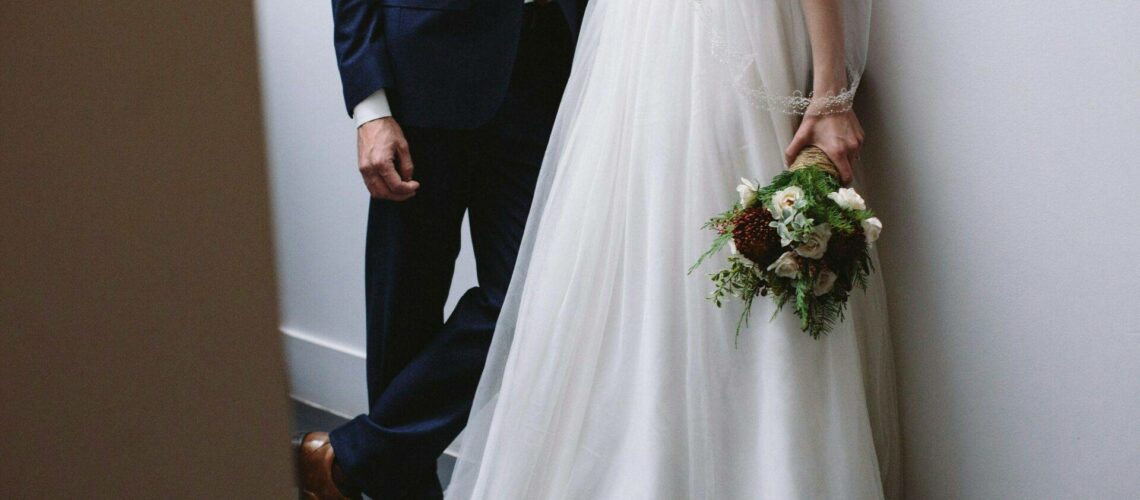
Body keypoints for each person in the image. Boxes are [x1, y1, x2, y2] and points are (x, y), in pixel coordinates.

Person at [445, 0, 901, 498]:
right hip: (681, 42)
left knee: (684, 249)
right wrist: (831, 94)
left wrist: (831, 94)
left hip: (663, 41)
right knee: (665, 249)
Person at [293, 1, 584, 498]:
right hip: (424, 78)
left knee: (533, 295)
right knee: (405, 307)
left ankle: (347, 459)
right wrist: (370, 109)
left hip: (550, 65)